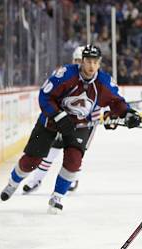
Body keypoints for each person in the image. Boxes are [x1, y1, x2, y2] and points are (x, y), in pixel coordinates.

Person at [0, 45, 142, 212]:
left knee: (73, 161)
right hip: (51, 121)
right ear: (82, 61)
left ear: (99, 63)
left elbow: (117, 103)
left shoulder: (104, 82)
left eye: (95, 62)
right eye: (88, 61)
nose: (91, 66)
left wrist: (128, 113)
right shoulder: (65, 75)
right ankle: (13, 182)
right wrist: (58, 116)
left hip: (80, 125)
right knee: (32, 161)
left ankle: (57, 197)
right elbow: (45, 96)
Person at [22, 45, 103, 194]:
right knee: (51, 150)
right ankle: (37, 180)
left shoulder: (98, 79)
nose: (83, 64)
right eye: (79, 60)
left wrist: (100, 114)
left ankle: (72, 178)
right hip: (63, 121)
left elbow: (103, 100)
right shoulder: (65, 74)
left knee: (77, 152)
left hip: (84, 126)